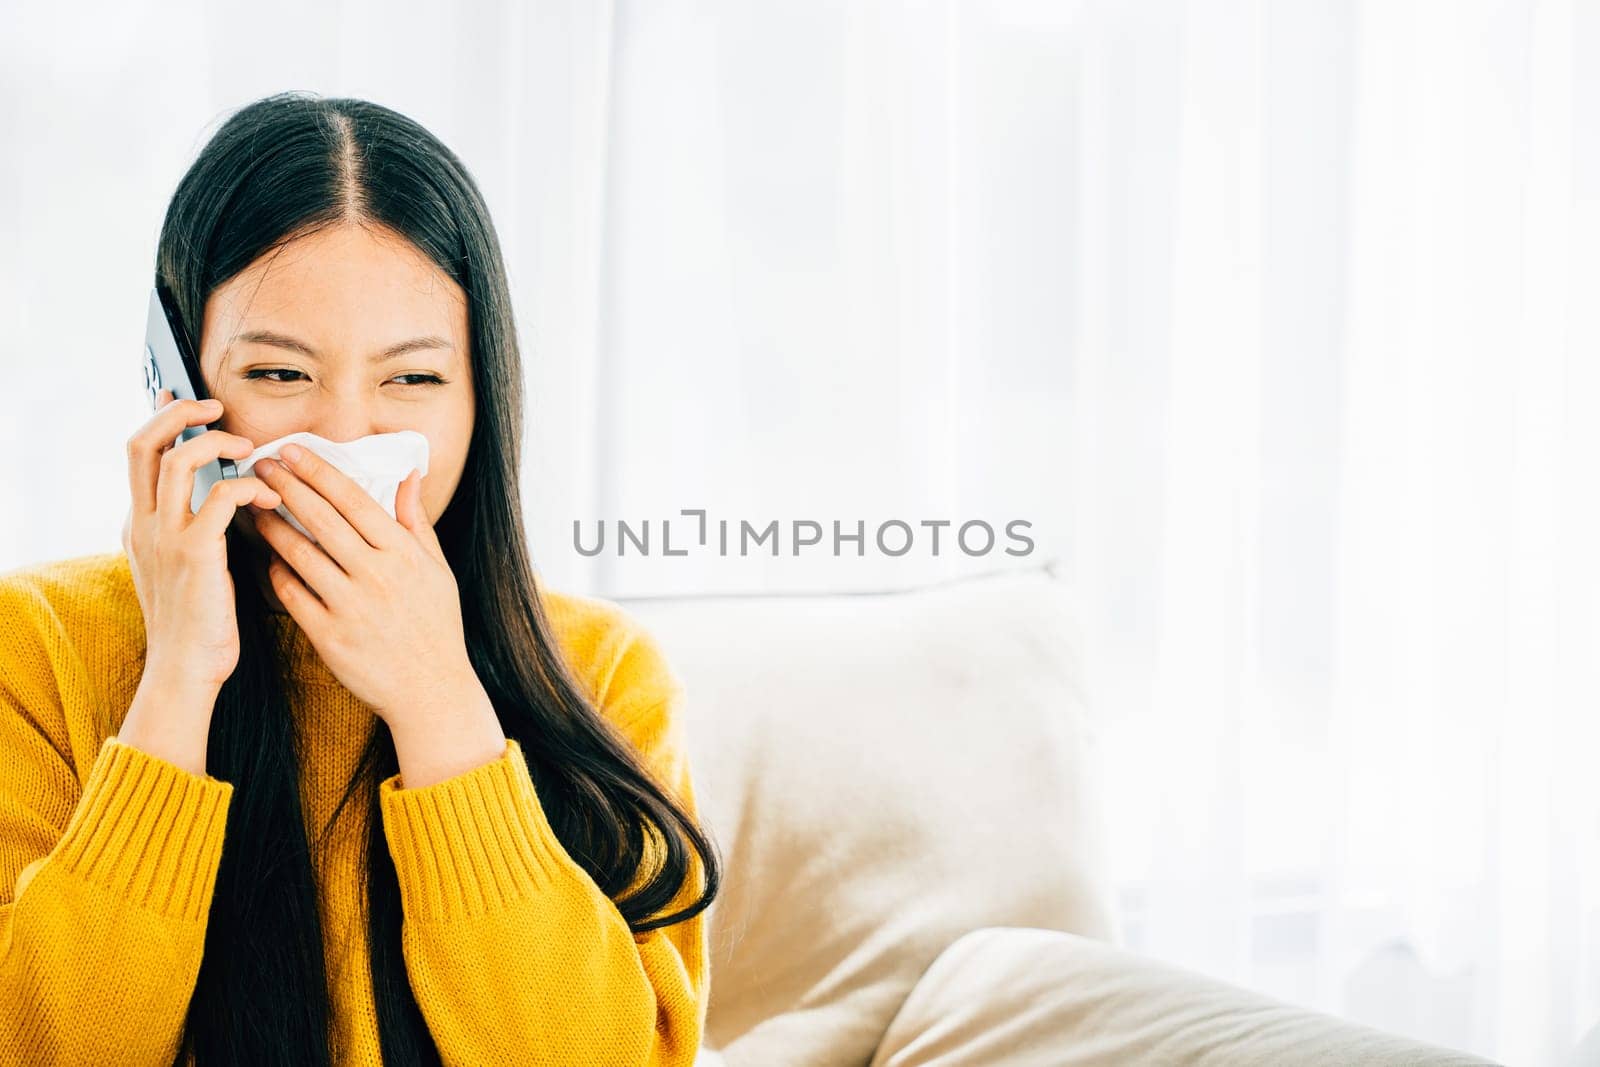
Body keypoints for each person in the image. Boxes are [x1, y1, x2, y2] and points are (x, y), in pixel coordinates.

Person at [0, 91, 720, 1067]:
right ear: (177, 387)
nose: (344, 437)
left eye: (413, 380)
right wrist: (177, 677)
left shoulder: (603, 667)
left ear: (484, 392)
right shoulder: (35, 641)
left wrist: (438, 702)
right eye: (280, 375)